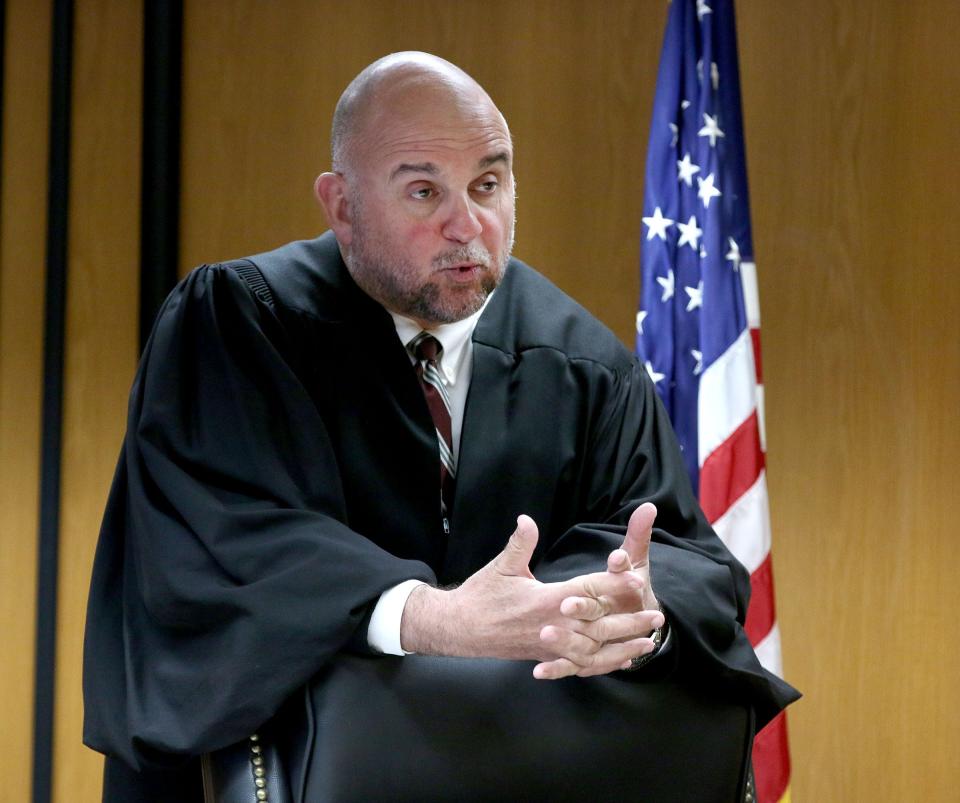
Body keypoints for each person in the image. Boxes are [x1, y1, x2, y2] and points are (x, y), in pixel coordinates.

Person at [83, 52, 797, 801]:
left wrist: (612, 611)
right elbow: (220, 542)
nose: (468, 225)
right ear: (342, 205)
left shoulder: (584, 363)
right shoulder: (236, 325)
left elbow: (685, 558)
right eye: (424, 191)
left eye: (488, 184)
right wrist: (435, 617)